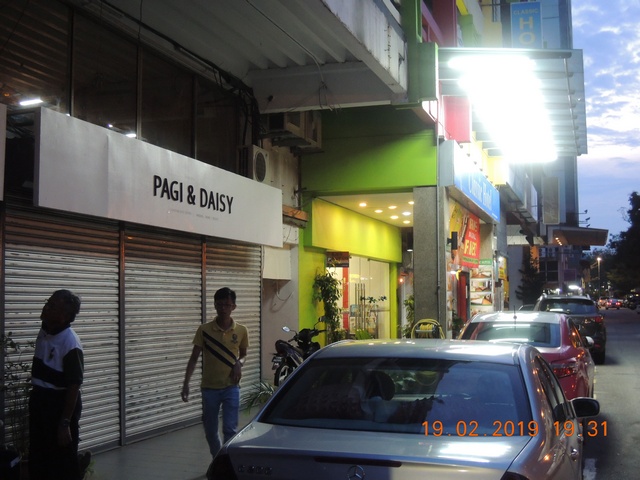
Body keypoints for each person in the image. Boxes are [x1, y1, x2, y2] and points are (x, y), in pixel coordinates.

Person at [181, 287, 248, 475]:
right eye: (219, 304)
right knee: (210, 431)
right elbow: (194, 358)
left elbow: (243, 355)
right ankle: (217, 459)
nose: (223, 308)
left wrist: (239, 363)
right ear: (215, 305)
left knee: (230, 429)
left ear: (233, 306)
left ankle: (225, 467)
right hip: (209, 388)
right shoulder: (204, 330)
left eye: (227, 304)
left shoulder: (241, 330)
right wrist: (186, 383)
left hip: (231, 387)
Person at [29, 289, 90, 480]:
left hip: (59, 404)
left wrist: (65, 423)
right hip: (40, 400)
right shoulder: (45, 331)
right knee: (39, 457)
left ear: (64, 316)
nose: (46, 307)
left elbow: (74, 386)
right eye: (48, 302)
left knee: (62, 461)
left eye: (52, 306)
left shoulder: (70, 342)